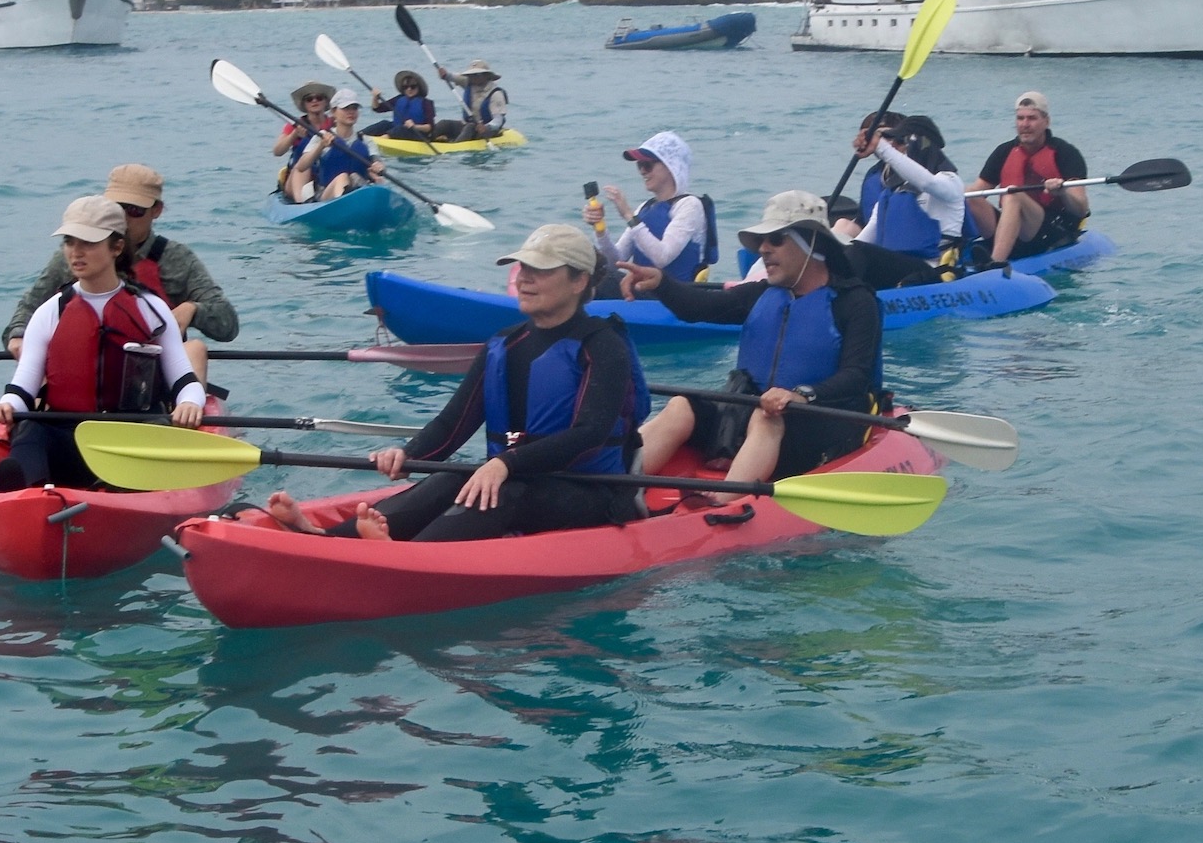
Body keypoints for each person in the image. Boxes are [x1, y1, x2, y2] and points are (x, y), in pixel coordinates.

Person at [263, 224, 650, 542]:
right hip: (516, 474)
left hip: (590, 491)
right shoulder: (504, 343)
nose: (525, 279)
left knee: (503, 492)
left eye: (541, 270)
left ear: (579, 280)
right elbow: (453, 425)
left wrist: (505, 462)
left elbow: (591, 434)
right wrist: (409, 454)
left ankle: (401, 558)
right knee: (454, 478)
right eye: (522, 268)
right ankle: (323, 537)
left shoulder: (602, 346)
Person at [618, 190, 885, 487]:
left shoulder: (855, 302)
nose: (763, 249)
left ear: (810, 242)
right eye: (761, 241)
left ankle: (721, 507)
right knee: (682, 405)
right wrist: (661, 283)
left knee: (766, 417)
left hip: (820, 421)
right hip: (751, 418)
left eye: (776, 240)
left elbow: (856, 376)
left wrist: (801, 394)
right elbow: (698, 307)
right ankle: (612, 484)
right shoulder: (761, 294)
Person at [0, 197, 205, 492]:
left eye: (88, 243)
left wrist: (190, 402)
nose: (76, 252)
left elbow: (184, 380)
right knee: (32, 429)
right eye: (69, 242)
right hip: (67, 434)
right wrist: (6, 407)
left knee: (156, 431)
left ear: (116, 247)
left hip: (131, 434)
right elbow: (23, 386)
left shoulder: (151, 309)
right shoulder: (51, 312)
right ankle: (24, 492)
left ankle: (122, 490)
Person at [2, 165, 239, 386]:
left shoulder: (177, 259)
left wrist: (193, 310)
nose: (123, 219)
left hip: (153, 376)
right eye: (116, 208)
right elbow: (28, 309)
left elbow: (228, 326)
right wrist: (19, 336)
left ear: (156, 210)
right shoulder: (73, 257)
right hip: (82, 369)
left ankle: (184, 417)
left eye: (134, 210)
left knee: (195, 348)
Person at [832, 114, 966, 287]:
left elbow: (926, 182)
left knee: (861, 253)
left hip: (932, 270)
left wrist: (881, 147)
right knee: (851, 251)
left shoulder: (950, 182)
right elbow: (863, 241)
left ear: (921, 144)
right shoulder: (890, 193)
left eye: (900, 142)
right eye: (892, 142)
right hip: (899, 268)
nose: (894, 146)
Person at [969, 91, 1091, 266]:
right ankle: (954, 249)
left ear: (1046, 121)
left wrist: (1062, 192)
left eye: (1032, 118)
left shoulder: (1065, 153)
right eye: (1020, 118)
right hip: (1014, 229)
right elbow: (978, 192)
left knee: (1013, 194)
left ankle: (995, 263)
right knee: (967, 194)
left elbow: (1081, 209)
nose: (1025, 124)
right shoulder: (1004, 151)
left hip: (1051, 230)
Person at [586, 130, 712, 292]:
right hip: (644, 293)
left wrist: (628, 215)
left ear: (670, 166)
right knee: (597, 276)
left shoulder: (690, 206)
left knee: (602, 283)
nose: (642, 171)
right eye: (639, 165)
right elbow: (614, 262)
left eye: (647, 165)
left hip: (678, 298)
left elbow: (662, 257)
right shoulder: (645, 208)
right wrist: (600, 230)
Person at [287, 90, 386, 201]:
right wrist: (320, 146)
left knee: (374, 181)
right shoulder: (322, 136)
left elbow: (376, 161)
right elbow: (301, 167)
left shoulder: (365, 140)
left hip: (358, 191)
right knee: (342, 178)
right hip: (326, 195)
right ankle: (344, 204)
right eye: (346, 108)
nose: (351, 112)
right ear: (334, 112)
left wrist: (378, 166)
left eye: (354, 108)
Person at [435, 59, 510, 141]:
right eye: (471, 75)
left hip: (485, 130)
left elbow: (498, 120)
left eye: (477, 74)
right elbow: (451, 77)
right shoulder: (468, 82)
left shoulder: (496, 94)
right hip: (466, 125)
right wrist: (444, 74)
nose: (473, 77)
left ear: (487, 75)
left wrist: (486, 127)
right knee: (444, 123)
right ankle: (427, 139)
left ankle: (456, 146)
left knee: (470, 127)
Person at [272, 79, 337, 166]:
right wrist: (294, 134)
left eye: (319, 98)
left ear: (326, 102)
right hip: (301, 171)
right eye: (309, 99)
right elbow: (277, 151)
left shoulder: (334, 122)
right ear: (304, 104)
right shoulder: (295, 125)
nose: (314, 101)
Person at [365, 70, 436, 139]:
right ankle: (360, 136)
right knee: (384, 123)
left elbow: (430, 127)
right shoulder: (398, 99)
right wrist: (375, 97)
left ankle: (381, 140)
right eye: (406, 87)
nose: (409, 89)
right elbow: (377, 108)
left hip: (417, 134)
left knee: (401, 128)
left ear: (418, 87)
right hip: (397, 130)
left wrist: (415, 126)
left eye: (413, 86)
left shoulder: (426, 103)